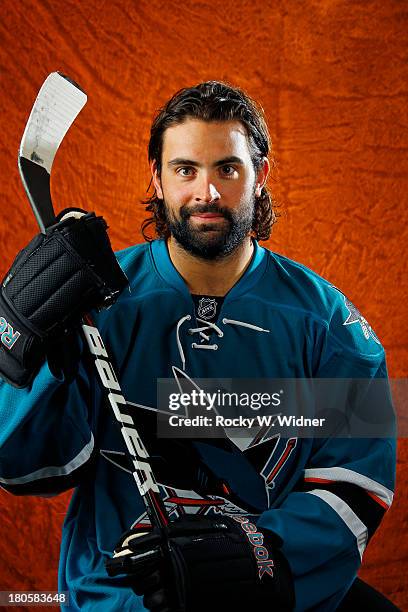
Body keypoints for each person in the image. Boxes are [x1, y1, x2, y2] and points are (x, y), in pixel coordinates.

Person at [0, 81, 398, 611]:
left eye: (227, 169)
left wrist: (261, 556)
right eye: (185, 169)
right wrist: (18, 355)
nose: (206, 193)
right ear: (157, 180)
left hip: (258, 596)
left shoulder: (328, 324)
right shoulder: (97, 303)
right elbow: (28, 468)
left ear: (260, 178)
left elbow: (357, 482)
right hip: (118, 597)